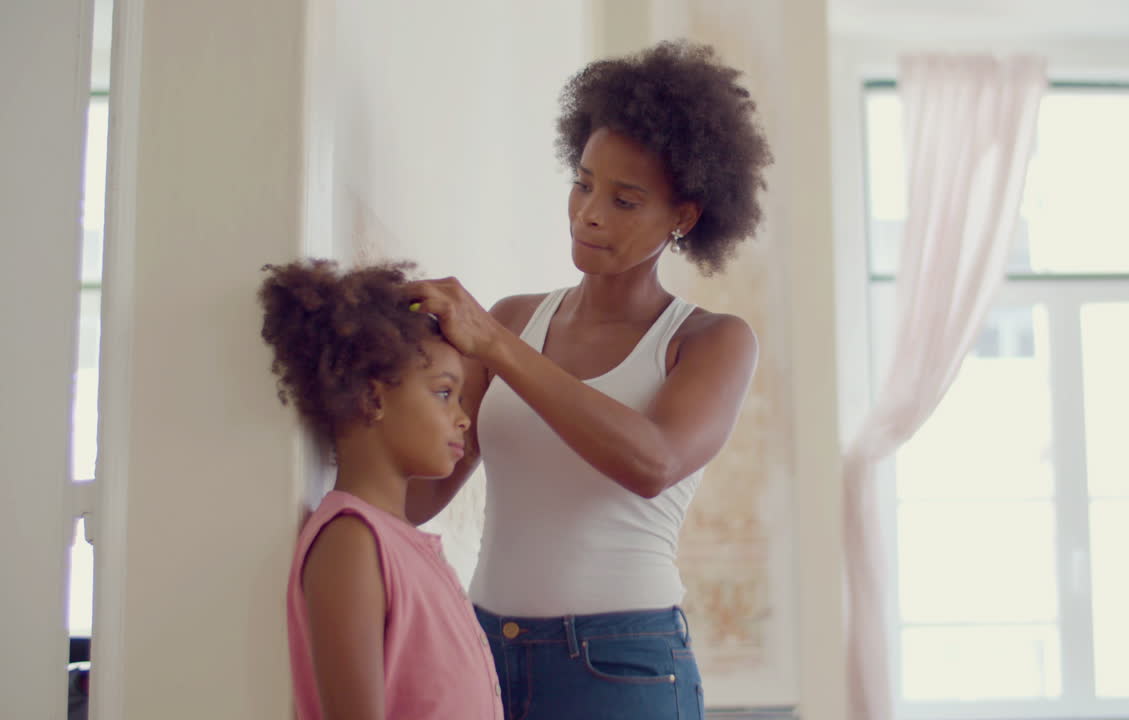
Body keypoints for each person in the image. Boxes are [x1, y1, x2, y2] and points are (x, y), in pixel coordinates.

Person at [403, 40, 773, 719]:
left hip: (620, 664)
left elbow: (651, 462)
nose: (589, 213)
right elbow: (420, 498)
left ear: (683, 217)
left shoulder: (711, 341)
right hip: (482, 647)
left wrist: (494, 345)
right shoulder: (517, 319)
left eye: (625, 200)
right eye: (583, 182)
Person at [258, 259, 502, 720]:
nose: (463, 418)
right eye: (445, 393)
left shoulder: (401, 542)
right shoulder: (352, 543)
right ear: (373, 398)